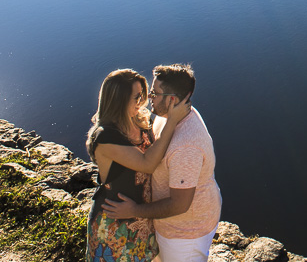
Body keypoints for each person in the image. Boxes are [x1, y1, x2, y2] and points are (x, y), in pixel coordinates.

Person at [103, 64, 223, 262]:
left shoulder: (186, 147)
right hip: (169, 225)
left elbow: (179, 205)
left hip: (185, 234)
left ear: (172, 100)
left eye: (154, 94)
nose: (149, 98)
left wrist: (134, 210)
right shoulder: (169, 116)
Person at [85, 68, 191, 262]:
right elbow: (147, 164)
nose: (142, 101)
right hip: (115, 224)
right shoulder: (105, 136)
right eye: (136, 97)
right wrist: (172, 121)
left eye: (142, 95)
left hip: (139, 218)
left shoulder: (137, 121)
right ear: (119, 101)